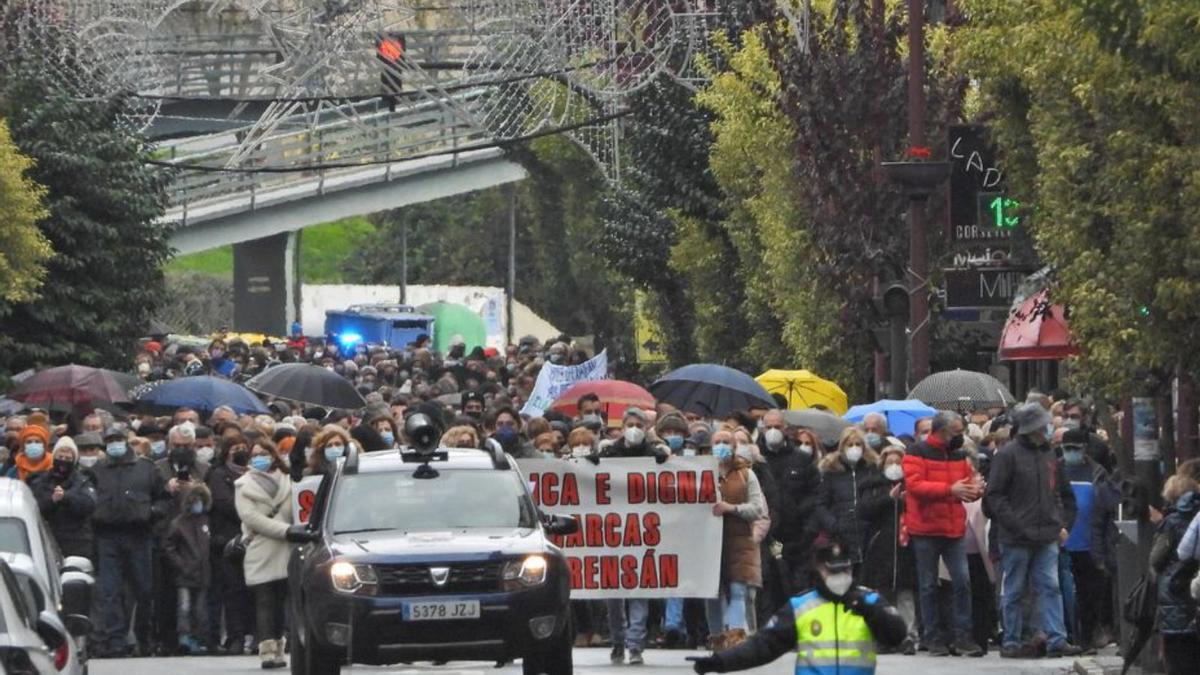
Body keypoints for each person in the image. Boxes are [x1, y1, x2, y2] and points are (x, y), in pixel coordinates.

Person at [686, 538, 907, 674]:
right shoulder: (802, 606)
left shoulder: (869, 602)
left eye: (844, 571)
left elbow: (896, 635)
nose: (839, 577)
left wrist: (871, 613)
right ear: (819, 571)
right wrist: (719, 662)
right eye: (832, 571)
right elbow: (763, 646)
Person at [983, 403, 1082, 659]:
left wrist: (1062, 523)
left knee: (1050, 587)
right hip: (1017, 536)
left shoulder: (1049, 454)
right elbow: (995, 496)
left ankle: (1056, 638)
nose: (1046, 430)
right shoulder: (1008, 455)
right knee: (1016, 589)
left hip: (1045, 533)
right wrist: (1017, 523)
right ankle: (1013, 640)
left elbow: (1062, 493)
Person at [901, 411, 984, 657]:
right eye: (957, 432)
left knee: (962, 582)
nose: (961, 437)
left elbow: (966, 486)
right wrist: (951, 489)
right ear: (942, 431)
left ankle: (962, 636)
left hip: (952, 528)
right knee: (928, 585)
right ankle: (933, 637)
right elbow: (915, 486)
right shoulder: (916, 452)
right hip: (925, 528)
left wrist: (975, 490)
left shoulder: (959, 456)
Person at [91, 425, 170, 658]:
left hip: (139, 535)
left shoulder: (145, 468)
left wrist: (151, 513)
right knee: (111, 591)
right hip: (107, 536)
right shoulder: (97, 470)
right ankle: (116, 639)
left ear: (126, 441)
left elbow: (164, 499)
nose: (114, 443)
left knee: (144, 590)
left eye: (118, 439)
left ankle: (143, 637)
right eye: (110, 439)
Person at [599, 407, 668, 665]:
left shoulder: (655, 455)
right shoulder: (608, 453)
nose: (634, 428)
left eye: (639, 424)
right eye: (630, 424)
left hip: (643, 536)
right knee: (613, 596)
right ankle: (618, 641)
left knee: (640, 590)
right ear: (623, 426)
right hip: (612, 535)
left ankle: (635, 645)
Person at [234, 438, 293, 669]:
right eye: (255, 454)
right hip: (261, 546)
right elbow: (250, 518)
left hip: (285, 548)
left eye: (264, 453)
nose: (259, 457)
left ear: (273, 455)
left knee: (281, 601)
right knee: (265, 600)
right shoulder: (243, 485)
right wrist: (287, 530)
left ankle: (280, 647)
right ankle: (266, 649)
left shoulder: (288, 480)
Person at [706, 429, 766, 651]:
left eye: (726, 442)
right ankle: (717, 639)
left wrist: (731, 508)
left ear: (734, 447)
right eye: (717, 441)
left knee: (738, 590)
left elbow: (757, 508)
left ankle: (736, 639)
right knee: (711, 593)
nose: (721, 445)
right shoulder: (701, 472)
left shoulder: (746, 475)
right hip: (708, 544)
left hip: (740, 542)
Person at [1061, 427, 1120, 650]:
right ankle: (1069, 636)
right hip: (1063, 543)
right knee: (1065, 593)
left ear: (1084, 449)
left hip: (1089, 543)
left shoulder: (1098, 472)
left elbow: (1107, 510)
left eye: (1074, 448)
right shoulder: (1056, 469)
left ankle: (1086, 636)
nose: (1069, 452)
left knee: (1090, 594)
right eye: (1066, 449)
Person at [861, 441, 917, 654]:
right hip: (880, 546)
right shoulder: (873, 485)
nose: (894, 465)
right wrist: (888, 499)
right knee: (882, 594)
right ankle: (883, 637)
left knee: (905, 593)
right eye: (890, 461)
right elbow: (864, 510)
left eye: (898, 461)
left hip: (905, 546)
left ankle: (908, 636)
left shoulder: (911, 484)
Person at [205, 434, 254, 655]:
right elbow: (225, 504)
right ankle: (236, 636)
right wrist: (251, 512)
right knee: (233, 591)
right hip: (228, 541)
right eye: (235, 448)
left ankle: (256, 636)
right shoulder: (218, 475)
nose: (239, 451)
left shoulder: (256, 473)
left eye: (243, 447)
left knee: (255, 591)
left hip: (255, 538)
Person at [814, 428, 891, 567]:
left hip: (868, 532)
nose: (854, 448)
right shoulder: (831, 472)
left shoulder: (872, 469)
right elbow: (821, 503)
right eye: (850, 445)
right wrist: (833, 525)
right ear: (842, 447)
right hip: (841, 534)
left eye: (857, 444)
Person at [1151, 475, 1200, 674]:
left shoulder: (1170, 522)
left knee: (1177, 655)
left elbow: (1156, 559)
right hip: (1194, 594)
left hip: (1174, 592)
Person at [30, 437, 96, 560]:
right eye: (60, 457)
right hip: (47, 539)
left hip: (76, 542)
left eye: (68, 459)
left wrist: (66, 497)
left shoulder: (83, 481)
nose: (63, 461)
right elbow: (34, 507)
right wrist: (52, 500)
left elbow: (89, 504)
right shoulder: (41, 480)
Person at [166, 484, 212, 655]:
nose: (198, 504)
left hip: (203, 572)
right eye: (195, 500)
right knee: (184, 607)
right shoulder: (178, 523)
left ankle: (197, 638)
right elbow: (169, 547)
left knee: (200, 610)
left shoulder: (206, 521)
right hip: (185, 573)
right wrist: (181, 565)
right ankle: (184, 637)